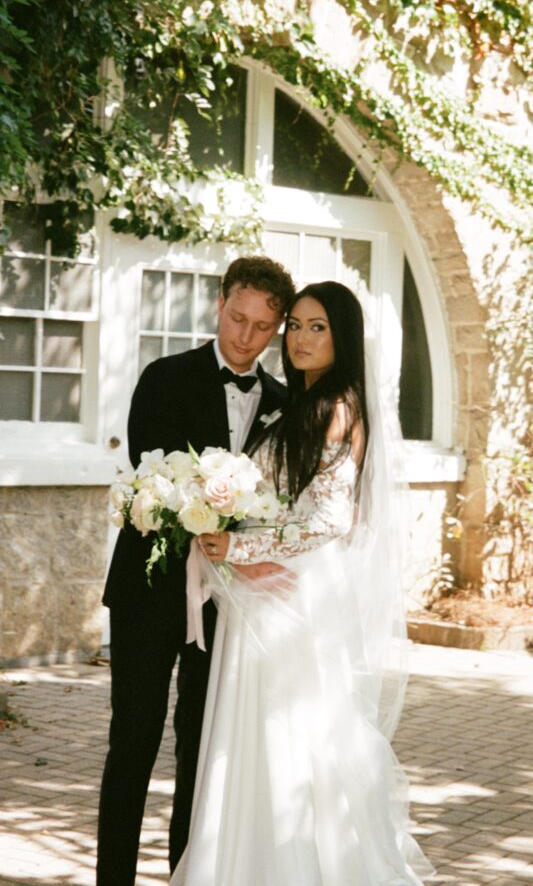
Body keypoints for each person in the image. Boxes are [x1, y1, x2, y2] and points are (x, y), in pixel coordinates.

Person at [171, 281, 435, 885]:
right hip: (261, 593)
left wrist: (238, 545)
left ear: (342, 338)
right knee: (255, 738)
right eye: (294, 325)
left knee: (289, 737)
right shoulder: (299, 403)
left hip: (297, 596)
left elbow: (329, 520)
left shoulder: (338, 406)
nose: (300, 338)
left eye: (318, 327)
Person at [97, 256, 296, 886]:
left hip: (229, 602)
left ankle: (187, 875)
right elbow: (149, 473)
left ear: (278, 329)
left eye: (263, 327)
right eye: (238, 318)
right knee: (132, 742)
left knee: (203, 751)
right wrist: (206, 505)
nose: (245, 336)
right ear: (219, 304)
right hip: (148, 592)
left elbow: (281, 503)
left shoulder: (287, 407)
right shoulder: (164, 377)